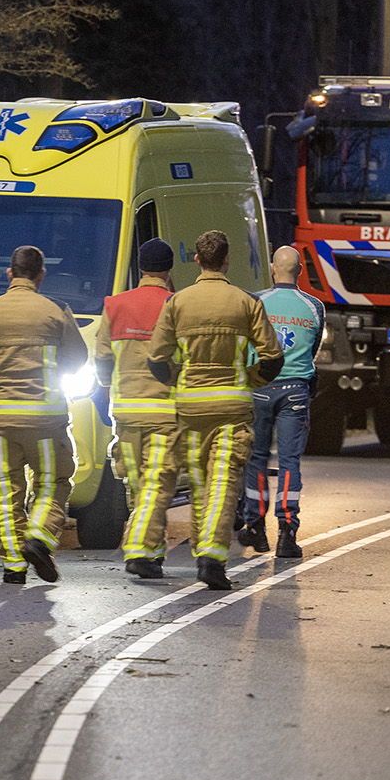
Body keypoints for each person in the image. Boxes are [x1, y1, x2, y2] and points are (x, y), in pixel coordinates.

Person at [145, 230, 283, 591]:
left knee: (202, 485)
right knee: (222, 485)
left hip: (189, 411)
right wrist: (247, 380)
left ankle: (201, 551)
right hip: (232, 409)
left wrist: (181, 380)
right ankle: (211, 559)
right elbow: (273, 358)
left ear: (196, 261)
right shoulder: (246, 303)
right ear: (226, 260)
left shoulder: (177, 302)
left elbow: (157, 359)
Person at [0, 246, 88, 584]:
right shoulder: (56, 311)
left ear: (10, 273)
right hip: (46, 419)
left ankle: (13, 566)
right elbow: (77, 359)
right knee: (52, 483)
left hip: (3, 421)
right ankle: (39, 537)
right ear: (41, 275)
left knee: (6, 491)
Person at [96, 238, 181, 578]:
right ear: (169, 269)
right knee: (157, 484)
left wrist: (108, 394)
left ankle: (153, 550)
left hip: (126, 412)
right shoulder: (176, 304)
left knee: (137, 484)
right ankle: (140, 551)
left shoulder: (115, 305)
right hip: (164, 411)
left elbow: (102, 358)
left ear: (140, 267)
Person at [238, 246, 325, 559]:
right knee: (289, 460)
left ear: (273, 269)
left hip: (259, 386)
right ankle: (287, 533)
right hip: (295, 390)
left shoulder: (256, 301)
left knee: (256, 457)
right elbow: (313, 349)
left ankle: (256, 527)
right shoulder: (314, 306)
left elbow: (245, 342)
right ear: (299, 271)